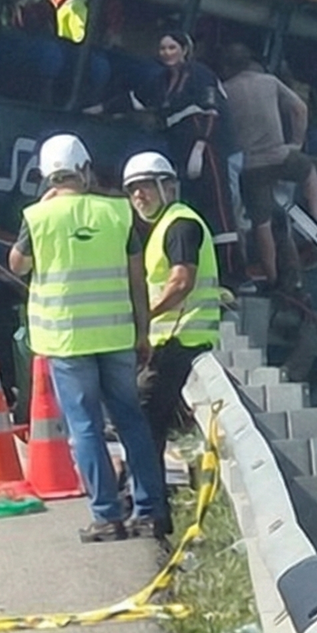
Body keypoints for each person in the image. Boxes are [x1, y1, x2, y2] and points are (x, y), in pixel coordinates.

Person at [8, 134, 168, 541]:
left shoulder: (38, 218)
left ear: (47, 177)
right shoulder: (117, 213)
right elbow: (138, 276)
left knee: (85, 429)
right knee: (132, 421)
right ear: (84, 168)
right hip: (116, 335)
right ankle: (150, 511)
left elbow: (18, 265)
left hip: (67, 341)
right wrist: (143, 329)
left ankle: (107, 517)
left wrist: (41, 214)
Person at [87, 30, 240, 282]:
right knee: (192, 207)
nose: (166, 53)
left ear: (184, 50)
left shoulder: (200, 75)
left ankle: (234, 273)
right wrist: (98, 109)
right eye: (163, 49)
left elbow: (211, 111)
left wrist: (201, 146)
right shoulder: (162, 80)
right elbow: (134, 99)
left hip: (206, 149)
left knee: (218, 208)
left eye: (172, 48)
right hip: (179, 146)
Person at [121, 151, 219, 474]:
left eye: (146, 186)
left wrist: (142, 317)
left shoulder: (180, 225)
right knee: (150, 424)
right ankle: (149, 506)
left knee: (142, 422)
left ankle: (144, 507)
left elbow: (181, 282)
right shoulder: (165, 226)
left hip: (180, 340)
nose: (138, 195)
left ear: (169, 187)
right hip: (173, 340)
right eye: (132, 189)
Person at [220, 42, 317, 294]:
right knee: (310, 173)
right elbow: (300, 108)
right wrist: (296, 142)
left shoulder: (225, 91)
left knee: (261, 225)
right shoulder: (269, 81)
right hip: (281, 156)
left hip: (251, 167)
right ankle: (316, 219)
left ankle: (273, 278)